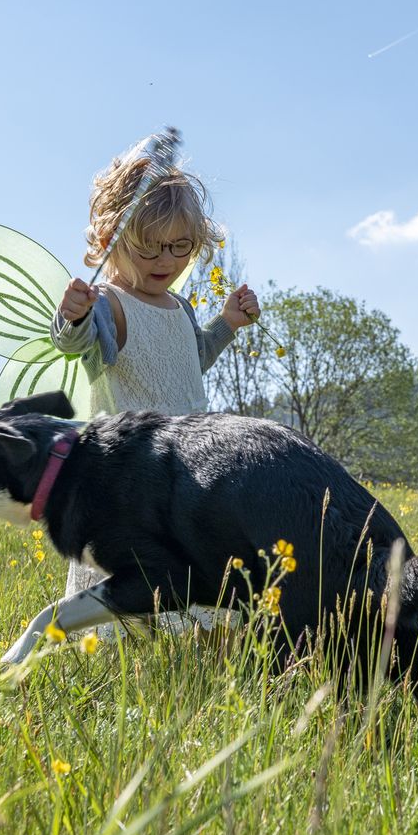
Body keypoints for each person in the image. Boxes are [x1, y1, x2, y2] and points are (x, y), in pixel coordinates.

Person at [50, 135, 259, 631]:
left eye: (179, 246)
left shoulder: (180, 307)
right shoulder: (109, 304)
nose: (164, 260)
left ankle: (195, 667)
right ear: (109, 241)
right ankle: (120, 662)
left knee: (196, 595)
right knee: (131, 598)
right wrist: (72, 316)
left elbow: (190, 362)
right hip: (129, 479)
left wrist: (226, 322)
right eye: (148, 246)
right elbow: (75, 345)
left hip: (187, 475)